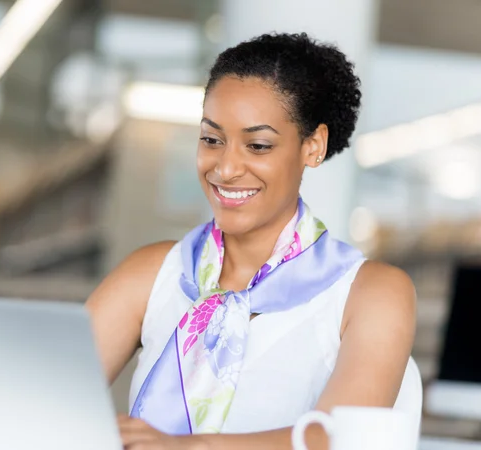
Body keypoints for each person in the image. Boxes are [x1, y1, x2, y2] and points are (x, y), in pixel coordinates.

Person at [87, 32, 420, 450]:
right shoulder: (154, 272)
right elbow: (45, 397)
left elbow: (337, 439)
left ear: (312, 147)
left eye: (258, 145)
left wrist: (192, 447)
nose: (225, 168)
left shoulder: (369, 293)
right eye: (211, 139)